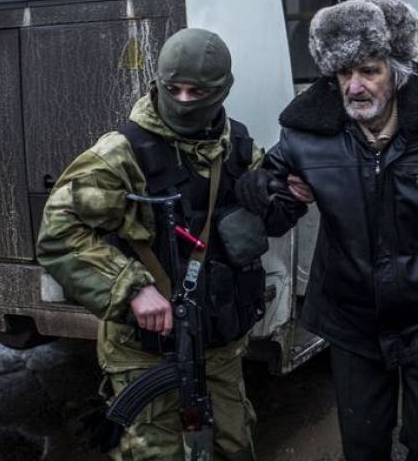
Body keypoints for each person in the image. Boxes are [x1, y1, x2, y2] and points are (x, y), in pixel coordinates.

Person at [235, 0, 418, 461]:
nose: (355, 87)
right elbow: (269, 204)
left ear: (396, 72)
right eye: (344, 73)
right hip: (350, 316)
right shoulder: (307, 136)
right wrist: (272, 191)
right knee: (363, 447)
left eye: (369, 71)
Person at [37, 28, 305, 460]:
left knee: (233, 447)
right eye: (172, 88)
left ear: (222, 90)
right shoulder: (122, 153)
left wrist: (287, 198)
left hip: (218, 344)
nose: (182, 100)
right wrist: (130, 287)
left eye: (196, 90)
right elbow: (58, 232)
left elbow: (267, 222)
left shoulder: (236, 146)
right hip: (145, 349)